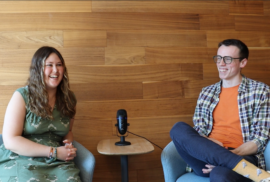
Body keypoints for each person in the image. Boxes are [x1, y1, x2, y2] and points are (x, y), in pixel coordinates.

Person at [170, 39, 270, 182]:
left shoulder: (260, 91)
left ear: (243, 63)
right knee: (178, 128)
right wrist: (213, 150)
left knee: (220, 174)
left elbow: (260, 139)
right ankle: (257, 174)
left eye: (228, 59)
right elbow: (199, 132)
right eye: (218, 58)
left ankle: (235, 165)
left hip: (242, 156)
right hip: (204, 158)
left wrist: (226, 158)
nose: (221, 64)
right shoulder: (206, 93)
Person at [0, 47, 81, 181]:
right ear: (38, 69)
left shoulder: (69, 99)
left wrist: (68, 144)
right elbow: (10, 141)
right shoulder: (22, 96)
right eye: (49, 65)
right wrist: (53, 152)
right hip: (21, 157)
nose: (55, 70)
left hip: (56, 162)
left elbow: (68, 131)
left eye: (59, 65)